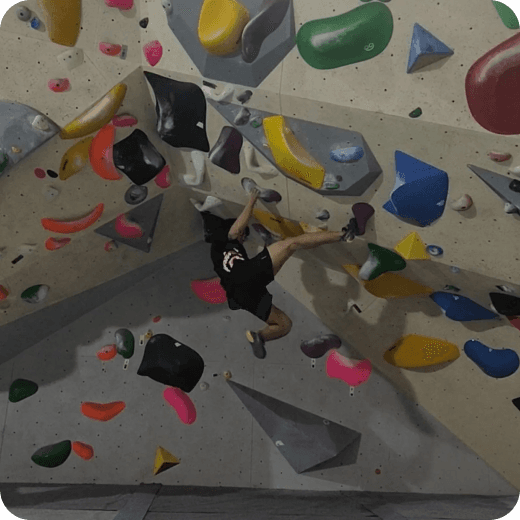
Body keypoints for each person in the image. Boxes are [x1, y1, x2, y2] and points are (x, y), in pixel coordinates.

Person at [203, 188, 356, 359]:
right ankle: (344, 234)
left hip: (240, 295)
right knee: (292, 244)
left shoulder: (217, 256)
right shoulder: (224, 241)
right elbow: (236, 230)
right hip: (246, 276)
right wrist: (253, 199)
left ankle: (260, 336)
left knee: (284, 324)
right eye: (244, 237)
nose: (243, 239)